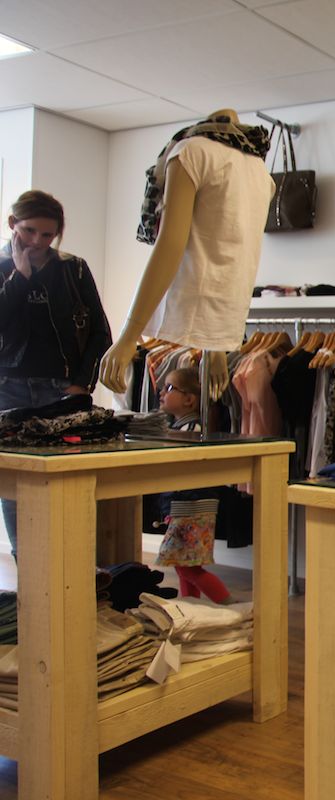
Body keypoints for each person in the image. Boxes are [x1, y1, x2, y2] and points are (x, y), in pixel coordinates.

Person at [99, 109, 274, 400]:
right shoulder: (260, 171)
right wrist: (214, 343)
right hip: (226, 309)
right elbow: (230, 246)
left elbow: (170, 242)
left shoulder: (191, 151)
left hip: (186, 299)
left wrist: (129, 335)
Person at [0, 189, 113, 558]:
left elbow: (100, 332)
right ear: (12, 224)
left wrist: (81, 384)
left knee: (71, 478)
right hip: (8, 390)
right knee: (16, 484)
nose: (37, 241)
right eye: (29, 231)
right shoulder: (2, 267)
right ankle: (29, 567)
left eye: (47, 234)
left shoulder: (73, 269)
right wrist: (20, 277)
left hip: (62, 391)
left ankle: (75, 564)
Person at [155, 366, 234, 604]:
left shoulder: (191, 431)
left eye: (169, 388)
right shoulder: (179, 428)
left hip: (191, 506)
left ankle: (228, 603)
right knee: (185, 564)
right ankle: (191, 605)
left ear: (189, 399)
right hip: (184, 504)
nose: (161, 393)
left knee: (186, 566)